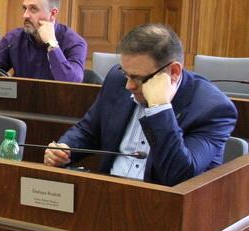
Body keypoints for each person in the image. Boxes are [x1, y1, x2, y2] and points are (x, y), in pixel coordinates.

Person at [43, 24, 237, 186]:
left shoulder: (213, 109)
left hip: (164, 207)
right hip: (107, 194)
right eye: (126, 73)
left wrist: (159, 108)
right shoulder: (118, 79)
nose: (129, 85)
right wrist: (65, 148)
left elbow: (178, 177)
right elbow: (89, 130)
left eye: (138, 78)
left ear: (174, 72)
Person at [0, 0, 86, 81]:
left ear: (53, 14)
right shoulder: (14, 38)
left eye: (33, 9)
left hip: (57, 98)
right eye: (24, 8)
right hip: (22, 98)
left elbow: (71, 82)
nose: (25, 15)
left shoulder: (74, 42)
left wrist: (52, 45)